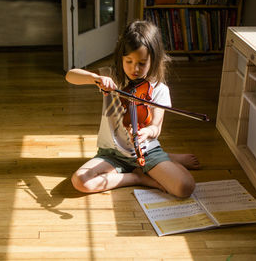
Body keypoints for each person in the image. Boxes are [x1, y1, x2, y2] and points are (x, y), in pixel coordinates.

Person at [65, 20, 200, 198]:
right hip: (113, 154)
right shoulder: (112, 77)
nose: (134, 69)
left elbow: (156, 127)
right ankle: (137, 177)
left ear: (154, 59)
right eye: (128, 61)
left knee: (185, 188)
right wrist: (94, 78)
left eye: (142, 63)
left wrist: (148, 132)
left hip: (146, 151)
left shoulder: (159, 89)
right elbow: (70, 76)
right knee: (81, 181)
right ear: (121, 57)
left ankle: (165, 158)